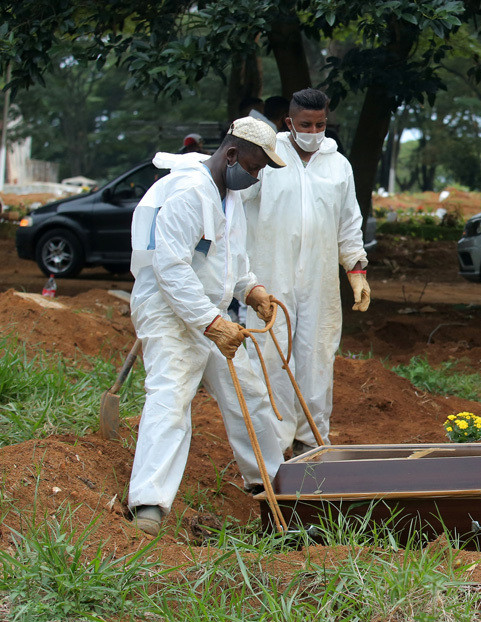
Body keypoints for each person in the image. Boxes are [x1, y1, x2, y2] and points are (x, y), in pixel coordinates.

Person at [127, 117, 288, 535]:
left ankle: (277, 490)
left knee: (247, 393)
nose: (255, 178)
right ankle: (149, 505)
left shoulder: (227, 195)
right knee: (172, 395)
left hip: (209, 312)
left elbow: (230, 259)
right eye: (254, 168)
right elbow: (170, 267)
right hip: (168, 311)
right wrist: (211, 322)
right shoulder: (188, 192)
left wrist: (251, 289)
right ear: (232, 155)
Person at [240, 88, 371, 456]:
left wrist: (356, 269)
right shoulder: (268, 158)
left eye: (320, 124)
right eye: (305, 124)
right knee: (272, 355)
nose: (313, 131)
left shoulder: (338, 165)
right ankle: (275, 445)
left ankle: (311, 442)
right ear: (289, 124)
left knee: (317, 356)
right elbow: (235, 206)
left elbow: (349, 221)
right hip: (270, 274)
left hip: (319, 281)